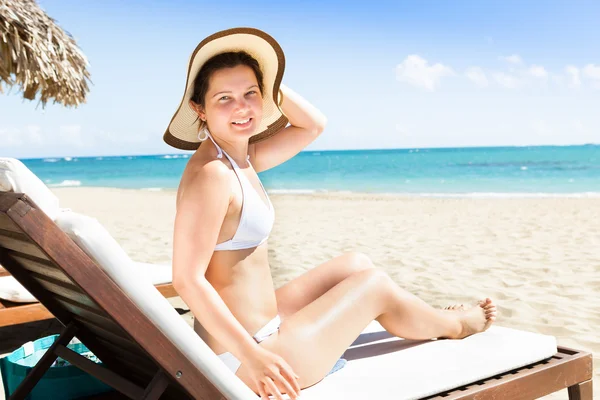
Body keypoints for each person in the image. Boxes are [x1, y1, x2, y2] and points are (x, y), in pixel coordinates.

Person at [164, 28, 497, 400]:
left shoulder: (241, 158)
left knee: (355, 264)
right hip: (243, 360)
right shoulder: (212, 174)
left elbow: (313, 124)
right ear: (199, 108)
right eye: (224, 98)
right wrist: (253, 356)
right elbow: (187, 279)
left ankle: (425, 315)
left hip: (262, 329)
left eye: (250, 93)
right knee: (375, 284)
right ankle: (453, 325)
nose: (241, 108)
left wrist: (269, 78)